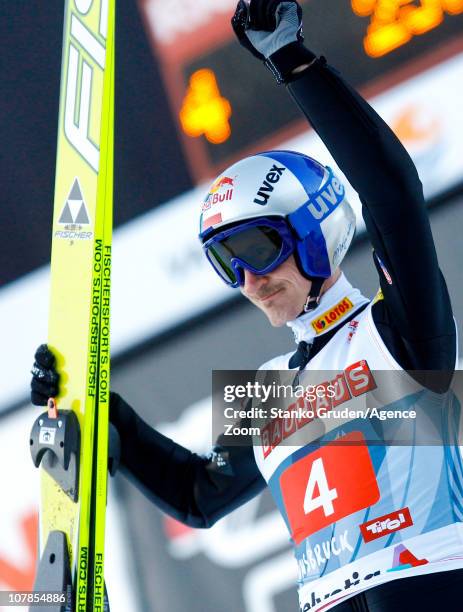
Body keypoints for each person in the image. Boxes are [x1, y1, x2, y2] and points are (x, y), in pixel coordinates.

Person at [31, 0, 461, 610]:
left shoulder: (400, 337)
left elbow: (392, 194)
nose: (248, 281)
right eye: (225, 263)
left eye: (256, 250)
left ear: (314, 235)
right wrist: (98, 409)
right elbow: (198, 495)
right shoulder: (268, 393)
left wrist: (292, 57)